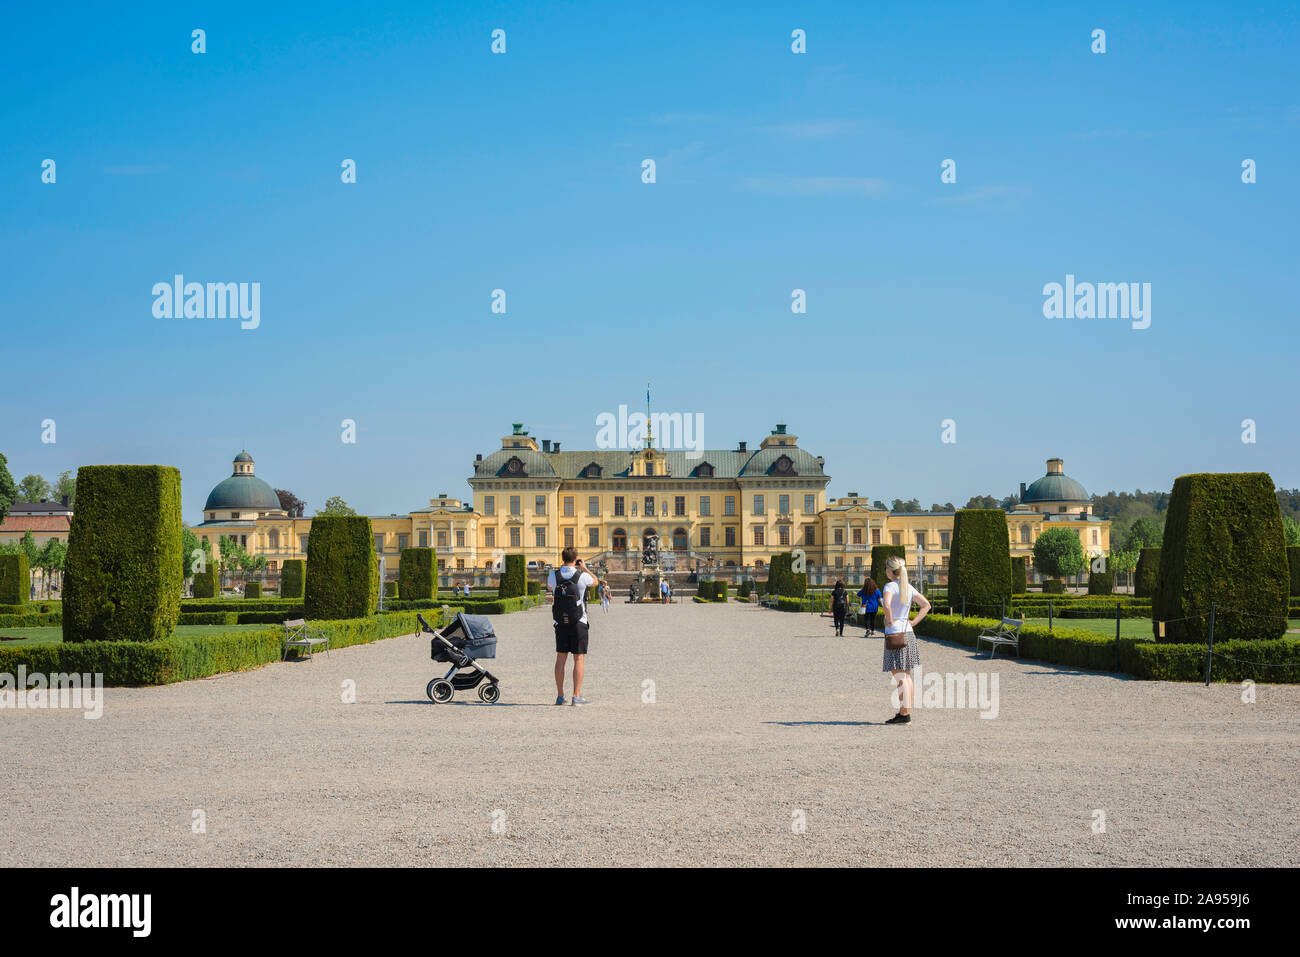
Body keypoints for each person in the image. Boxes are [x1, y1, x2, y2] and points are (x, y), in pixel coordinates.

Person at [881, 555, 931, 725]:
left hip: (895, 634)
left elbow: (886, 604)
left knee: (900, 675)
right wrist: (914, 622)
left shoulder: (889, 586)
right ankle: (905, 712)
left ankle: (904, 714)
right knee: (906, 675)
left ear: (889, 570)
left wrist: (888, 619)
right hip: (908, 633)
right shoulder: (908, 587)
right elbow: (926, 605)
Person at [547, 548, 597, 706]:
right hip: (579, 622)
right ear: (575, 559)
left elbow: (550, 588)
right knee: (579, 658)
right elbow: (596, 582)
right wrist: (585, 568)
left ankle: (560, 696)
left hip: (560, 622)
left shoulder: (553, 576)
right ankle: (576, 696)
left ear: (562, 558)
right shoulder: (582, 576)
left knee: (560, 658)